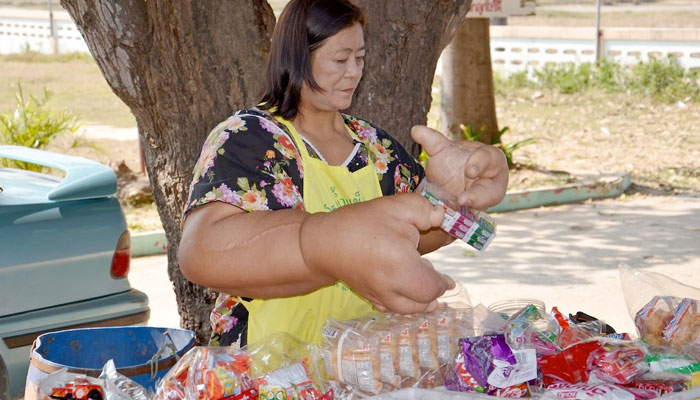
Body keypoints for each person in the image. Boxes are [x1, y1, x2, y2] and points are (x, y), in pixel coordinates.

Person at [178, 0, 509, 347]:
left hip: (358, 367)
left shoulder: (373, 146)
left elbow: (415, 237)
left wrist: (447, 195)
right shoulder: (250, 140)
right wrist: (325, 244)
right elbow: (201, 254)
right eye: (340, 59)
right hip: (270, 370)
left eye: (360, 58)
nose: (353, 72)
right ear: (297, 57)